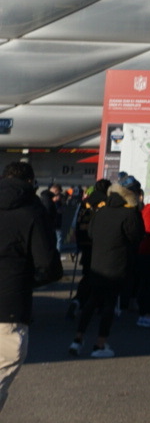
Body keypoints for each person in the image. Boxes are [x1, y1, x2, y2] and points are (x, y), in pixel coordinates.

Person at [0, 163, 63, 412]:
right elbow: (49, 266)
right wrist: (26, 281)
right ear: (31, 182)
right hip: (10, 305)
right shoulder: (32, 211)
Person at [69, 181, 142, 359]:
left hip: (97, 263)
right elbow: (136, 237)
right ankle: (100, 343)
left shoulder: (101, 212)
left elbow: (92, 234)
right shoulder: (130, 213)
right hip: (117, 263)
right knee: (109, 303)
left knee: (92, 301)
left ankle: (78, 339)